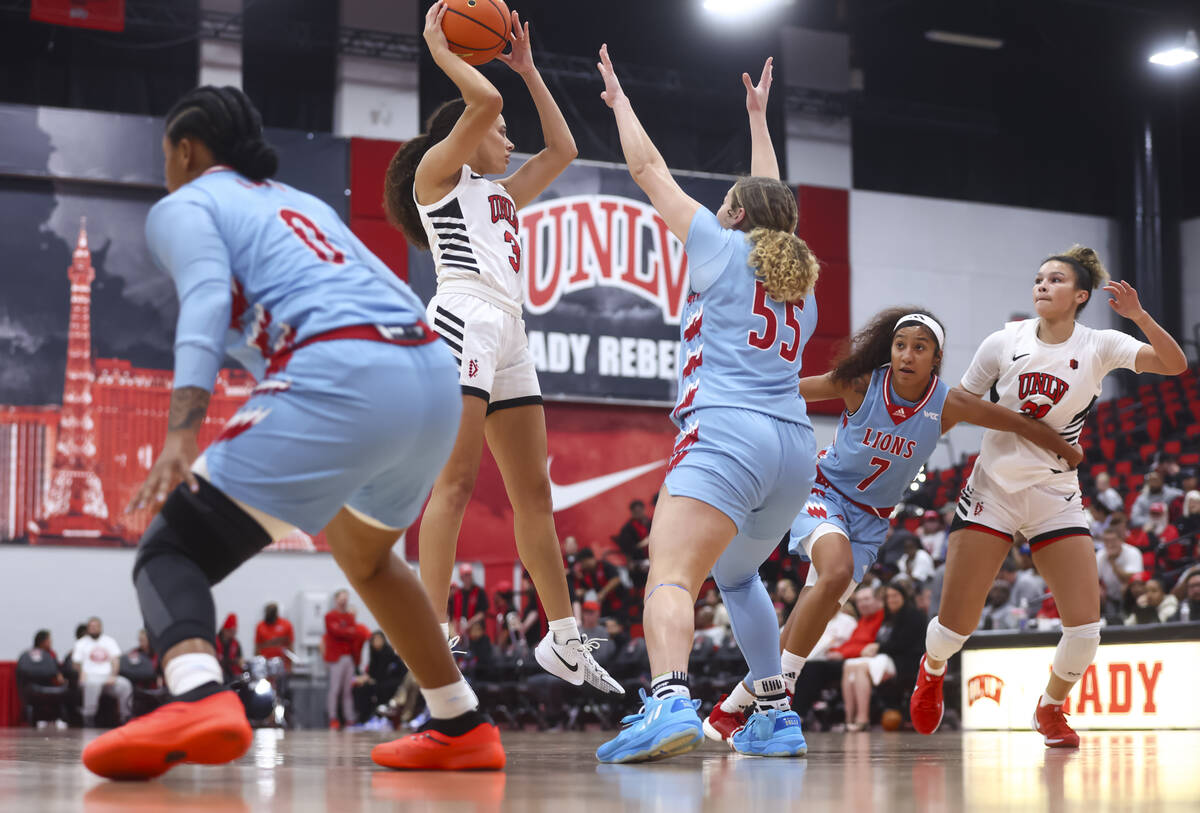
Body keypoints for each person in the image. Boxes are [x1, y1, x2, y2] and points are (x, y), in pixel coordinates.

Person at [81, 83, 504, 780]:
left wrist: (182, 431)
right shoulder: (300, 202)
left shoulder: (184, 205)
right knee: (364, 555)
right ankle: (460, 720)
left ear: (185, 151)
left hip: (342, 367)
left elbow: (210, 299)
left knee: (171, 549)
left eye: (168, 156)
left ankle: (196, 694)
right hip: (431, 372)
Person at [703, 306, 1080, 742]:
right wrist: (731, 400)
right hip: (824, 493)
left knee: (808, 618)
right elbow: (789, 392)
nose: (907, 355)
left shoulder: (947, 404)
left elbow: (1015, 421)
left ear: (935, 358)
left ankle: (727, 712)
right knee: (836, 573)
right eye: (901, 345)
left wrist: (1066, 449)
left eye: (920, 348)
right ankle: (780, 696)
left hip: (872, 521)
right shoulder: (861, 383)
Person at [381, 4, 618, 696]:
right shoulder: (438, 176)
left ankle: (564, 639)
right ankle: (431, 631)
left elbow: (566, 150)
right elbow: (482, 101)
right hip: (462, 315)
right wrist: (440, 46)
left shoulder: (504, 195)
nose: (509, 139)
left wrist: (530, 71)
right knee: (453, 482)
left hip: (509, 328)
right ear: (467, 135)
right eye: (501, 133)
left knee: (534, 494)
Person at [595, 53, 818, 762]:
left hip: (727, 432)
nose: (719, 204)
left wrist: (621, 101)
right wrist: (757, 120)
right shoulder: (801, 287)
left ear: (737, 214)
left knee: (672, 573)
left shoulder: (720, 249)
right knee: (739, 574)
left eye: (729, 199)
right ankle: (775, 713)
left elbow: (648, 172)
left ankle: (667, 701)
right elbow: (773, 198)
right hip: (793, 452)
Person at [908, 245, 1186, 748]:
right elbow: (961, 405)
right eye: (1038, 279)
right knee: (955, 627)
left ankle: (1051, 706)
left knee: (1085, 630)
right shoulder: (1002, 341)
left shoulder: (1100, 343)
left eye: (1055, 280)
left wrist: (1138, 315)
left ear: (1080, 296)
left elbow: (1175, 363)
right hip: (992, 485)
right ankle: (931, 670)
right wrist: (910, 448)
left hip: (1054, 490)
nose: (1042, 285)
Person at [840, 582, 925, 731]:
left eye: (895, 596)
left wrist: (878, 647)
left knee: (861, 668)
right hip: (886, 657)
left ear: (903, 597)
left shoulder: (914, 616)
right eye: (888, 597)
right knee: (849, 666)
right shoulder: (888, 617)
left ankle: (862, 718)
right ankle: (849, 718)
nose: (891, 599)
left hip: (905, 661)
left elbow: (903, 644)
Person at [72, 617, 132, 728]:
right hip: (90, 676)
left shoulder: (109, 641)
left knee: (125, 684)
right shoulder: (81, 643)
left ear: (101, 627)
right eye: (91, 627)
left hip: (107, 677)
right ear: (88, 628)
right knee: (92, 684)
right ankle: (89, 717)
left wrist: (113, 675)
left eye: (96, 626)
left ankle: (126, 716)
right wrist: (81, 673)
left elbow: (115, 660)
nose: (93, 629)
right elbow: (76, 663)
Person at [324, 591, 360, 730]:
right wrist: (347, 631)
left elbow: (354, 633)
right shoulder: (330, 616)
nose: (344, 601)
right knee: (335, 689)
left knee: (347, 690)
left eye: (346, 599)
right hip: (336, 658)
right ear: (336, 599)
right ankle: (333, 717)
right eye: (342, 598)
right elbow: (336, 632)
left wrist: (345, 631)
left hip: (348, 657)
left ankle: (349, 718)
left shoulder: (349, 617)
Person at [1096, 528, 1145, 616]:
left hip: (1130, 596)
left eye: (1113, 540)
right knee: (1096, 591)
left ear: (1121, 540)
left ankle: (1131, 616)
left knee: (1128, 587)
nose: (1110, 544)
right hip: (1109, 596)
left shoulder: (1133, 552)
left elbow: (1132, 578)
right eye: (1106, 541)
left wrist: (1113, 563)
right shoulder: (1100, 555)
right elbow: (1093, 579)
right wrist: (1099, 589)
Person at [448, 564, 489, 639]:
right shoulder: (458, 593)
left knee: (475, 632)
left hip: (474, 624)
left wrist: (469, 624)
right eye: (465, 575)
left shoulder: (479, 592)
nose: (468, 577)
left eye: (469, 575)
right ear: (461, 577)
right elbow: (454, 614)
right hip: (460, 624)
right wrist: (457, 629)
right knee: (451, 633)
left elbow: (482, 613)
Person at [215, 614, 243, 683]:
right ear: (224, 629)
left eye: (234, 631)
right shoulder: (215, 642)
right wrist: (235, 661)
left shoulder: (236, 644)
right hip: (217, 675)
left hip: (232, 676)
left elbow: (240, 659)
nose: (233, 634)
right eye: (230, 631)